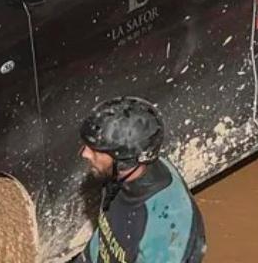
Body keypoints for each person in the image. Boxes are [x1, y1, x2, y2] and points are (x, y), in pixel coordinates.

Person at [77, 97, 205, 263]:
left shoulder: (166, 229)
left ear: (124, 159)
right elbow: (105, 235)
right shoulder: (118, 173)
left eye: (95, 150)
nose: (84, 153)